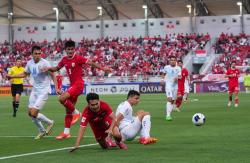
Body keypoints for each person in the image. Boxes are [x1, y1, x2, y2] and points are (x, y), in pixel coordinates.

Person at [43, 40, 111, 140]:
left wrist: (103, 68)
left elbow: (91, 63)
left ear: (74, 49)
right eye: (68, 49)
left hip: (78, 85)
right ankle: (66, 132)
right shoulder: (64, 59)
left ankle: (77, 113)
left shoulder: (78, 58)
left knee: (61, 99)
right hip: (73, 85)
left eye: (72, 49)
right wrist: (48, 68)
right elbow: (56, 68)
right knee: (68, 111)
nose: (70, 51)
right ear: (65, 50)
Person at [7, 45, 60, 139]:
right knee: (29, 113)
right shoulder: (29, 63)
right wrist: (12, 76)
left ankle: (50, 122)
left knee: (34, 113)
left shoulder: (45, 63)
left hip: (44, 91)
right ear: (32, 54)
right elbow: (24, 74)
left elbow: (53, 75)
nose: (38, 55)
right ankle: (42, 130)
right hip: (35, 90)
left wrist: (56, 87)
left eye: (39, 53)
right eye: (36, 53)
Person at [161, 56, 181, 121]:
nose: (172, 61)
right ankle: (168, 115)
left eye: (174, 60)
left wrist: (177, 78)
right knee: (169, 99)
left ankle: (169, 112)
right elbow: (163, 74)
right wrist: (162, 79)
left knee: (172, 101)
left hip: (175, 86)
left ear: (176, 61)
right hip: (168, 85)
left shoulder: (178, 68)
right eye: (171, 60)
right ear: (169, 61)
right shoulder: (166, 67)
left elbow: (180, 76)